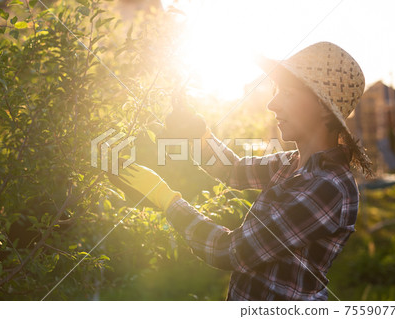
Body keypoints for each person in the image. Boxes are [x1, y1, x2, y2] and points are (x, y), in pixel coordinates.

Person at [109, 42, 373, 300]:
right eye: (276, 90)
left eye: (288, 93)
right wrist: (199, 136)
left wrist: (166, 199)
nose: (273, 104)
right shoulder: (292, 163)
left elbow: (229, 251)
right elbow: (234, 170)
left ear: (324, 110)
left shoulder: (327, 188)